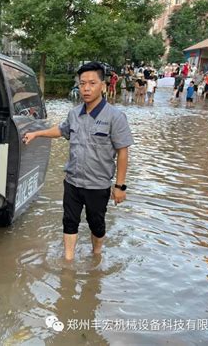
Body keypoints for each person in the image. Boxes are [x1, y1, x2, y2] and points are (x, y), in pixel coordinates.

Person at [22, 62, 134, 260]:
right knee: (69, 221)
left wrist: (120, 186)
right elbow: (61, 130)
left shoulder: (115, 117)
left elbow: (123, 152)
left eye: (92, 83)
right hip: (73, 181)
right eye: (82, 83)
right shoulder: (74, 114)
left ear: (103, 85)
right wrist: (37, 133)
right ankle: (68, 260)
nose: (86, 88)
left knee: (97, 225)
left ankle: (97, 254)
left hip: (97, 184)